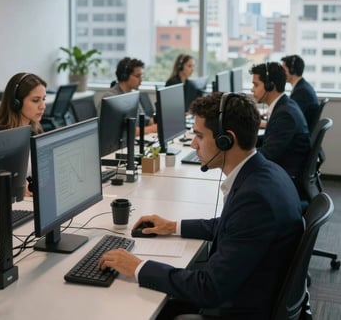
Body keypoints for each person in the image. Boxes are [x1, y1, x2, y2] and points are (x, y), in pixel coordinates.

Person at [99, 92, 303, 320]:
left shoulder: (255, 199)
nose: (194, 144)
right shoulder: (263, 172)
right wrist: (174, 226)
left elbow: (209, 289)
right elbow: (232, 226)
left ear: (227, 139)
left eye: (199, 135)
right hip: (252, 288)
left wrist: (138, 267)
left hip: (240, 309)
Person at [249, 62, 311, 194]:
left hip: (285, 180)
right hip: (283, 170)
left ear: (270, 85)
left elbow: (268, 154)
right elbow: (270, 139)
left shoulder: (285, 114)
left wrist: (238, 156)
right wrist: (243, 142)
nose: (251, 89)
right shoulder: (284, 105)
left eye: (255, 84)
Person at [0, 72, 47, 195]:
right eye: (36, 100)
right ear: (16, 103)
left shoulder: (35, 130)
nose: (43, 106)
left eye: (43, 99)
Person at [94, 57, 156, 135]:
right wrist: (152, 129)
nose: (141, 80)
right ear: (125, 76)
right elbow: (123, 132)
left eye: (141, 76)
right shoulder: (110, 98)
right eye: (137, 76)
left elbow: (142, 119)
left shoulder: (132, 94)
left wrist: (155, 122)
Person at [281, 54, 319, 130]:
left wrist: (265, 123)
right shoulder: (302, 86)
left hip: (298, 136)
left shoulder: (301, 92)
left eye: (283, 70)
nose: (281, 73)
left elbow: (290, 119)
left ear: (292, 71)